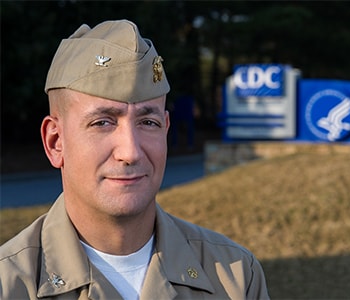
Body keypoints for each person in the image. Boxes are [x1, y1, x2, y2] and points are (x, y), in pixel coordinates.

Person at [0, 20, 270, 299]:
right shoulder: (9, 284)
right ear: (55, 142)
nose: (130, 152)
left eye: (148, 122)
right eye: (102, 122)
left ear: (166, 128)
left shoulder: (235, 276)